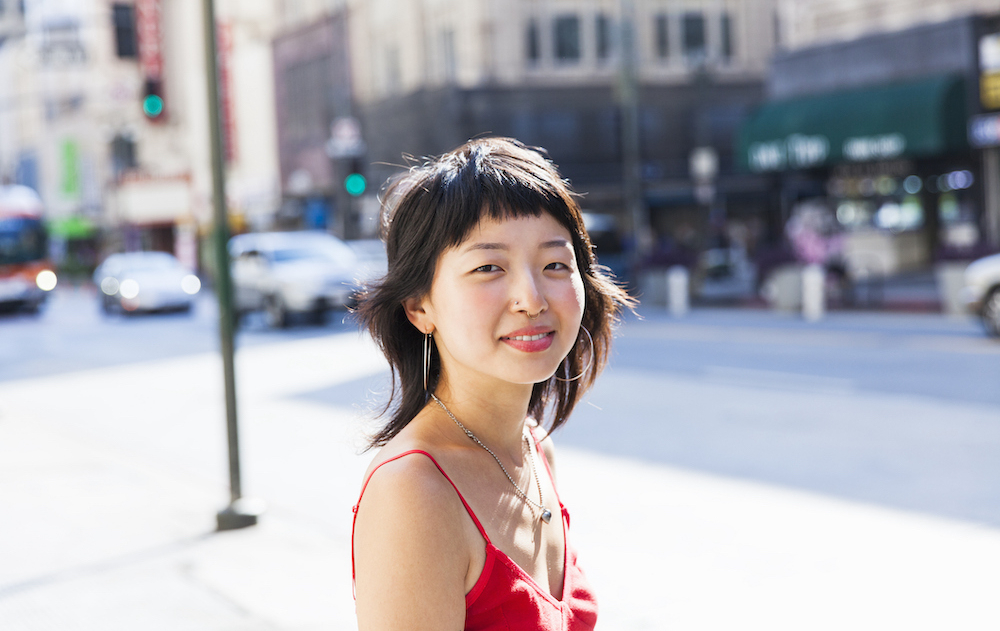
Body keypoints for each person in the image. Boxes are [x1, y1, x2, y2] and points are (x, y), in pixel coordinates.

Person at [351, 137, 633, 630]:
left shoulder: (535, 448)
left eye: (554, 265)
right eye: (488, 268)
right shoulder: (415, 491)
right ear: (419, 306)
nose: (531, 297)